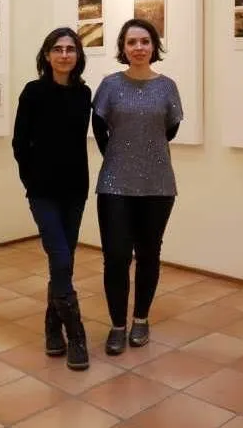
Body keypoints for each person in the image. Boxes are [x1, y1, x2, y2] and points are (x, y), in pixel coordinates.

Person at [91, 18, 183, 356]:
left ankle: (140, 319)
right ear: (123, 47)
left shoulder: (167, 87)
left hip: (158, 184)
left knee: (148, 254)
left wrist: (144, 154)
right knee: (116, 257)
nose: (139, 48)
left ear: (154, 46)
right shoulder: (110, 85)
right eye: (132, 42)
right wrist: (120, 157)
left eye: (145, 41)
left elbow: (170, 129)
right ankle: (117, 325)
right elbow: (99, 126)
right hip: (114, 183)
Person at [11, 27, 92, 371]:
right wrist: (31, 180)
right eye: (57, 49)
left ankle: (51, 327)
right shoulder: (33, 92)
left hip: (75, 190)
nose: (64, 55)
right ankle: (76, 334)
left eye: (70, 49)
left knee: (64, 260)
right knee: (59, 257)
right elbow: (19, 143)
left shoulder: (84, 93)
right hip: (43, 192)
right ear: (47, 55)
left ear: (78, 55)